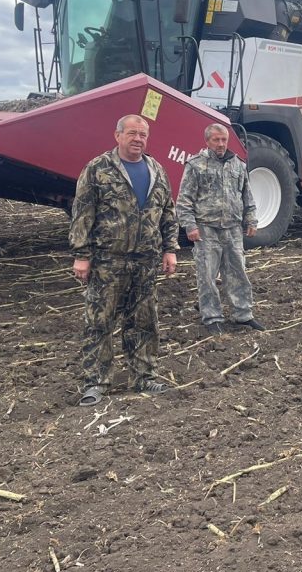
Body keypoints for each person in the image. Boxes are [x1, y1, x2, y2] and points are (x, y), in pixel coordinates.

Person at [69, 114, 179, 405]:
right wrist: (82, 255)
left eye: (143, 135)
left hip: (146, 261)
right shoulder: (98, 169)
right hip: (108, 260)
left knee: (144, 321)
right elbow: (82, 213)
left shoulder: (157, 170)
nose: (138, 139)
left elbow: (167, 212)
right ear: (117, 135)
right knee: (99, 321)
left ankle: (144, 377)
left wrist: (170, 249)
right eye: (132, 133)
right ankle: (95, 383)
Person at [175, 123, 265, 335]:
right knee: (207, 275)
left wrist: (251, 220)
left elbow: (247, 196)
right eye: (216, 140)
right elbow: (184, 199)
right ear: (207, 141)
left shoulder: (238, 165)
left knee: (238, 273)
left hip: (232, 229)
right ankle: (212, 317)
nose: (221, 144)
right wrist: (190, 226)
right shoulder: (196, 165)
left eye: (224, 140)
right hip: (206, 229)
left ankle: (243, 314)